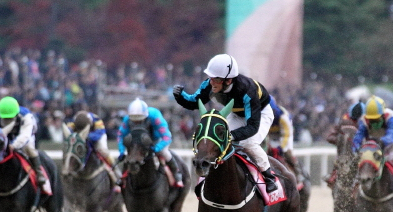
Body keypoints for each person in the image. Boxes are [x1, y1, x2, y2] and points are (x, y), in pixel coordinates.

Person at [172, 53, 277, 192]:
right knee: (215, 139)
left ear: (228, 81)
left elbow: (252, 127)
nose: (211, 82)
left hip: (260, 113)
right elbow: (194, 102)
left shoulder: (247, 90)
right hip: (236, 113)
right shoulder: (211, 84)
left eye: (215, 79)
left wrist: (231, 136)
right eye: (210, 78)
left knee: (248, 143)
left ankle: (268, 176)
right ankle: (209, 176)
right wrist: (180, 96)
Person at [352, 95, 393, 191]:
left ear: (382, 114)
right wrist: (356, 148)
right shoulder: (364, 120)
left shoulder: (391, 117)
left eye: (376, 118)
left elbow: (392, 135)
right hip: (376, 140)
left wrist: (381, 142)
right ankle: (357, 180)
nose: (373, 121)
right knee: (363, 157)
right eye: (371, 119)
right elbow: (359, 136)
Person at [117, 98, 184, 187]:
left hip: (156, 141)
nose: (137, 122)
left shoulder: (155, 116)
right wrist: (122, 151)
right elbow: (120, 136)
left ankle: (177, 174)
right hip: (137, 143)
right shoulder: (127, 119)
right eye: (134, 120)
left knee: (164, 153)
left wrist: (156, 148)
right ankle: (123, 178)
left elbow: (167, 137)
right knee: (129, 156)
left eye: (139, 120)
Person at [0, 96, 46, 187]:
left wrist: (14, 145)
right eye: (5, 118)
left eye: (10, 118)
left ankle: (39, 172)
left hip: (25, 135)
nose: (7, 120)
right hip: (5, 136)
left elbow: (25, 135)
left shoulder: (26, 116)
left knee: (29, 148)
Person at [67, 110, 121, 192]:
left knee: (102, 149)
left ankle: (115, 168)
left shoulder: (96, 119)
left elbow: (99, 133)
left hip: (97, 136)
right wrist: (79, 136)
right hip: (80, 136)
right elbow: (69, 133)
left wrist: (87, 136)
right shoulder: (72, 121)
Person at [322, 101, 364, 188]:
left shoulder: (366, 124)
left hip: (362, 152)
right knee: (340, 159)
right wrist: (343, 141)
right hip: (344, 152)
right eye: (354, 118)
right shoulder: (344, 122)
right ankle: (333, 176)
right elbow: (330, 137)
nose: (355, 121)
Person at [267, 95, 304, 183]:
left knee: (287, 151)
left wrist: (281, 148)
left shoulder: (282, 117)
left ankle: (298, 173)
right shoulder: (261, 115)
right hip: (270, 134)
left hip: (285, 132)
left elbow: (286, 135)